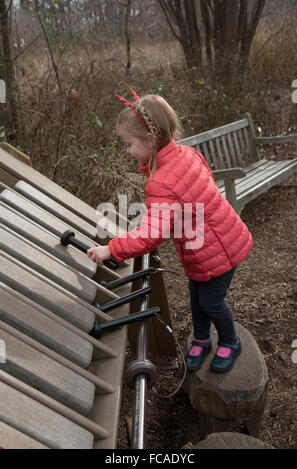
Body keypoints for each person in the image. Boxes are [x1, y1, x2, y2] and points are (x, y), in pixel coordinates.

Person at [87, 90, 252, 373]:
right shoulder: (186, 153)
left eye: (128, 144)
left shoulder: (161, 182)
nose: (126, 150)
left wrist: (111, 249)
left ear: (150, 140)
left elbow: (151, 235)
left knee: (211, 302)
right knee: (197, 297)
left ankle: (230, 341)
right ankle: (201, 339)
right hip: (211, 243)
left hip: (219, 250)